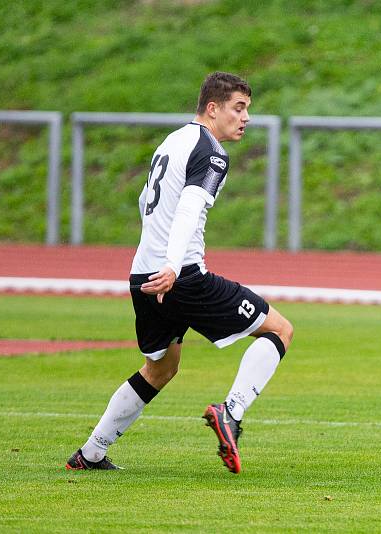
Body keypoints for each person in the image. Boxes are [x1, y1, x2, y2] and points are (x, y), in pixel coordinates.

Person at [66, 72, 293, 474]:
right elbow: (188, 210)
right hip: (181, 277)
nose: (246, 118)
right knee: (279, 330)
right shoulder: (212, 153)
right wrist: (173, 265)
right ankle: (232, 414)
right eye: (239, 108)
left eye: (248, 110)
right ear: (213, 108)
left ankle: (91, 453)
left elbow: (144, 201)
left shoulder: (172, 141)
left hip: (142, 277)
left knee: (161, 368)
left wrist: (156, 258)